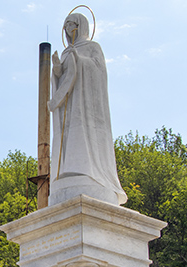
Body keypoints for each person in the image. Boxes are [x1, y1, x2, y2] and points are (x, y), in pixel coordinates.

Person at [48, 13, 127, 205]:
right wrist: (58, 70)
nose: (68, 30)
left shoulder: (93, 47)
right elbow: (61, 78)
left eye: (72, 25)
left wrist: (80, 60)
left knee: (86, 134)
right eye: (66, 27)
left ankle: (91, 172)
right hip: (70, 105)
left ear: (81, 26)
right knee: (70, 136)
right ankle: (69, 169)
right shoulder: (67, 51)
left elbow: (99, 72)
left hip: (88, 105)